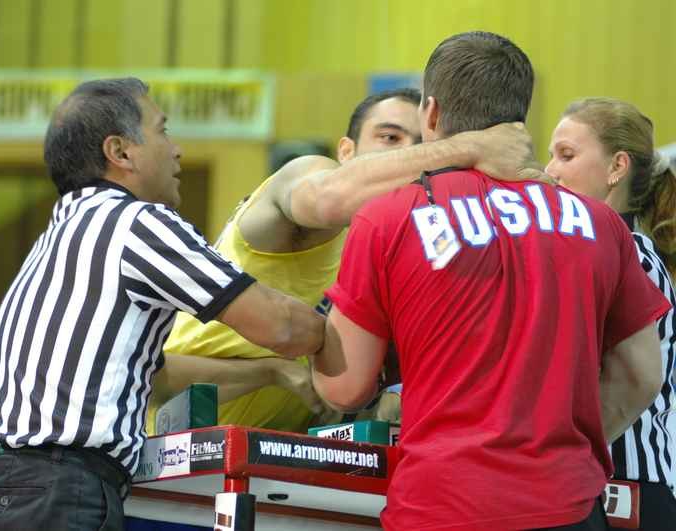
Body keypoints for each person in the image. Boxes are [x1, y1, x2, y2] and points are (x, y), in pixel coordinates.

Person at [311, 31, 671, 531]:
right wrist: (563, 451)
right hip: (567, 503)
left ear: (431, 114)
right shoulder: (601, 223)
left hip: (441, 505)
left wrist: (309, 341)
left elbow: (345, 387)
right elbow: (641, 374)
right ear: (519, 117)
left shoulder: (387, 218)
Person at [0, 78, 326, 531]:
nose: (176, 149)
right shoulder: (137, 223)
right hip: (51, 492)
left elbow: (155, 376)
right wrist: (358, 325)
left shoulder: (62, 234)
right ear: (120, 152)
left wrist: (273, 373)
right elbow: (279, 327)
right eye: (163, 131)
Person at [159, 87, 539, 433]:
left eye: (419, 142)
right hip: (167, 466)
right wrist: (273, 371)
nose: (406, 152)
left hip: (277, 473)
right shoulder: (309, 177)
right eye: (390, 138)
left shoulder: (411, 239)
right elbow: (154, 378)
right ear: (346, 152)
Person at [546, 97, 676, 530]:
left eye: (566, 155)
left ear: (617, 168)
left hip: (631, 484)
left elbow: (632, 378)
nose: (550, 171)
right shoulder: (580, 250)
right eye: (551, 156)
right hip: (587, 484)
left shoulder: (633, 254)